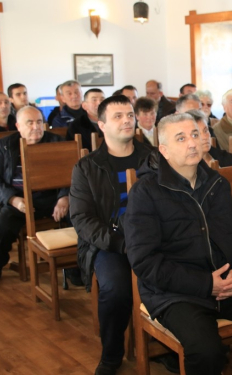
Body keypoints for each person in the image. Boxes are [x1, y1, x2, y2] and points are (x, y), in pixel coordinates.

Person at [124, 113, 232, 375]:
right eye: (181, 138)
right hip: (177, 292)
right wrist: (206, 284)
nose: (192, 143)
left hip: (228, 283)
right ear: (164, 150)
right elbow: (145, 262)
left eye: (195, 134)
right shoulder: (146, 192)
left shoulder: (217, 183)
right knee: (206, 352)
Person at [69, 95, 153, 375]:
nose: (127, 120)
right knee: (116, 289)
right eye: (118, 116)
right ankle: (112, 353)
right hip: (110, 242)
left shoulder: (152, 157)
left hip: (152, 238)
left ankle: (163, 346)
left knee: (179, 277)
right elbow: (82, 219)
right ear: (101, 125)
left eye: (129, 114)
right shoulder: (87, 167)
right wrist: (120, 244)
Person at [0, 107, 69, 278]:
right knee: (3, 221)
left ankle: (76, 268)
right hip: (18, 200)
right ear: (18, 126)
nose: (36, 127)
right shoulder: (5, 145)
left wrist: (64, 197)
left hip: (52, 199)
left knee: (81, 213)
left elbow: (73, 174)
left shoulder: (57, 142)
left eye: (39, 122)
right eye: (29, 123)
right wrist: (12, 199)